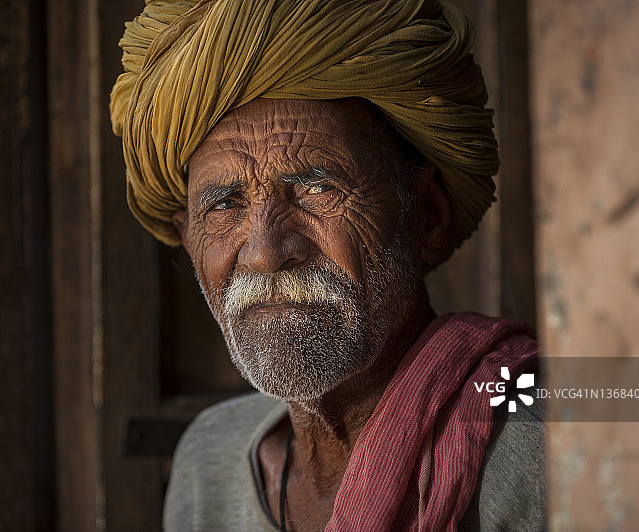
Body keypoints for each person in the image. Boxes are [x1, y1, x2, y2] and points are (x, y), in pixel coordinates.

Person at [110, 1, 544, 530]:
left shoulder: (544, 454)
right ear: (188, 240)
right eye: (225, 204)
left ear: (425, 216)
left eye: (317, 188)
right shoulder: (210, 458)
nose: (265, 250)